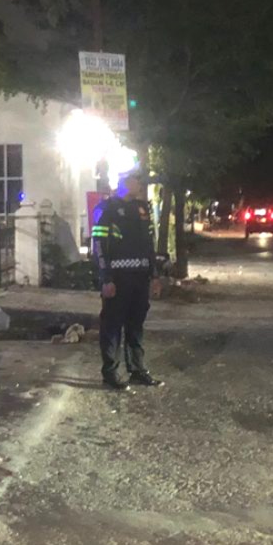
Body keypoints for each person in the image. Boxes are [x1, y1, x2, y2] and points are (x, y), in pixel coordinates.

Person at [91, 166, 161, 391]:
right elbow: (98, 244)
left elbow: (149, 245)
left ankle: (137, 369)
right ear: (124, 182)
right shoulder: (106, 208)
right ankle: (110, 372)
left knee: (136, 325)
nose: (140, 184)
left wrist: (154, 275)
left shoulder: (142, 209)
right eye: (136, 179)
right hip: (117, 279)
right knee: (112, 325)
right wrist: (106, 278)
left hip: (140, 278)